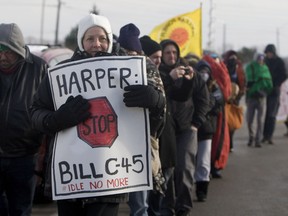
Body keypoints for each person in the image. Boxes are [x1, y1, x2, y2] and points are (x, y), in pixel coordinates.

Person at [30, 15, 165, 216]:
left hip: (110, 178)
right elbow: (35, 113)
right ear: (80, 41)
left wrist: (155, 101)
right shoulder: (60, 74)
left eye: (102, 38)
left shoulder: (129, 72)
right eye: (90, 38)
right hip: (71, 180)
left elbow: (156, 124)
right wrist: (56, 119)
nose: (97, 44)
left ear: (110, 41)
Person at [117, 24, 166, 216]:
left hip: (140, 143)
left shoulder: (148, 67)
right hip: (114, 142)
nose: (130, 55)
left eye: (134, 51)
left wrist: (153, 99)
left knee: (140, 204)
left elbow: (162, 106)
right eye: (126, 51)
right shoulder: (107, 67)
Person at [0, 23, 47, 215]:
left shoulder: (39, 68)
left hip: (26, 158)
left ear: (18, 49)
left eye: (8, 51)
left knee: (21, 210)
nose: (2, 56)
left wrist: (42, 160)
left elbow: (48, 112)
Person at [159, 39, 210, 215]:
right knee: (167, 171)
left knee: (184, 169)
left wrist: (197, 123)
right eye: (167, 53)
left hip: (188, 128)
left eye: (174, 52)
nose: (171, 56)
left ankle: (184, 207)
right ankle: (167, 207)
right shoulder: (157, 74)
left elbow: (204, 100)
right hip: (165, 130)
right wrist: (169, 78)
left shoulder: (190, 73)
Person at [194, 60, 224, 201]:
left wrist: (205, 104)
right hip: (191, 129)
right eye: (201, 71)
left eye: (206, 72)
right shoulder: (192, 84)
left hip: (206, 130)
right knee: (189, 163)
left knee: (204, 162)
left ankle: (202, 190)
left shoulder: (215, 87)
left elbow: (218, 103)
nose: (204, 74)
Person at [245, 54, 273, 147]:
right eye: (259, 58)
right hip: (251, 97)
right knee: (249, 120)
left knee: (260, 121)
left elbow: (269, 82)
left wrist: (266, 90)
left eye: (262, 59)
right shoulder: (250, 67)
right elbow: (247, 79)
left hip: (261, 98)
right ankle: (251, 137)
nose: (260, 60)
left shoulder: (265, 68)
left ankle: (258, 140)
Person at [262, 44, 287, 144]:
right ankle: (265, 135)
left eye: (270, 53)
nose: (269, 54)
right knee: (268, 114)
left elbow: (285, 75)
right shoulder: (266, 61)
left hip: (275, 90)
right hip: (267, 90)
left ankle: (269, 136)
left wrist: (276, 83)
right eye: (267, 53)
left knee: (272, 114)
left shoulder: (279, 61)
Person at [223, 50, 246, 152]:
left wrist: (239, 95)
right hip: (225, 99)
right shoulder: (223, 67)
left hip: (236, 100)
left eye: (235, 58)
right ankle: (226, 144)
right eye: (231, 58)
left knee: (233, 122)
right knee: (225, 123)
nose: (233, 60)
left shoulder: (239, 69)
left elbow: (243, 82)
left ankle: (230, 143)